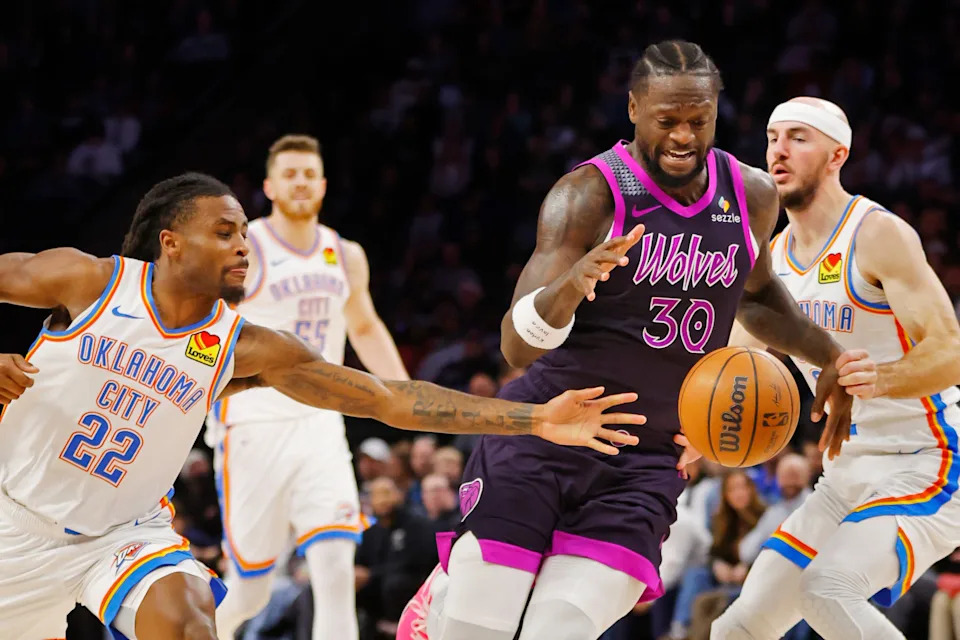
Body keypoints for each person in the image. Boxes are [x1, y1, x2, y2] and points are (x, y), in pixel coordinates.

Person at [0, 172, 643, 640]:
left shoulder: (244, 346)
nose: (242, 247)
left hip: (121, 534)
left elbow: (389, 399)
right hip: (13, 520)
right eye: (223, 233)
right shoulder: (88, 280)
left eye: (245, 235)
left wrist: (536, 418)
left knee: (192, 623)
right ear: (170, 243)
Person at [398, 40, 854, 640]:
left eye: (700, 120)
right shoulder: (588, 194)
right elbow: (515, 347)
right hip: (544, 434)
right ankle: (449, 593)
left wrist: (832, 358)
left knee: (557, 630)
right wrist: (568, 288)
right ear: (635, 109)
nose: (685, 136)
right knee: (479, 630)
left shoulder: (750, 194)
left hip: (644, 459)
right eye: (668, 121)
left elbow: (762, 297)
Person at [712, 97, 960, 639]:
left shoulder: (876, 234)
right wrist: (690, 430)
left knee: (827, 589)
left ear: (836, 154)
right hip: (845, 475)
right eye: (773, 137)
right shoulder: (772, 262)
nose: (779, 149)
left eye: (799, 137)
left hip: (931, 462)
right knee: (736, 629)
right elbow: (729, 361)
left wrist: (878, 378)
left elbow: (950, 350)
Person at [206, 134, 411, 640]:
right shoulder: (243, 246)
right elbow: (202, 327)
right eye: (289, 174)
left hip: (321, 423)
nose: (299, 182)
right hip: (254, 426)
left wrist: (407, 396)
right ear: (270, 186)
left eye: (308, 174)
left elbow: (363, 327)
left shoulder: (345, 253)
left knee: (336, 568)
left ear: (321, 185)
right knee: (250, 590)